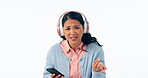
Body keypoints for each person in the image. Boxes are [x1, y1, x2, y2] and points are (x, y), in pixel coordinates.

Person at [43, 11, 107, 78]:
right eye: (68, 28)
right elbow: (46, 75)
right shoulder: (53, 51)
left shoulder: (96, 50)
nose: (72, 32)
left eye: (76, 28)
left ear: (84, 29)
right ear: (62, 31)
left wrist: (97, 73)